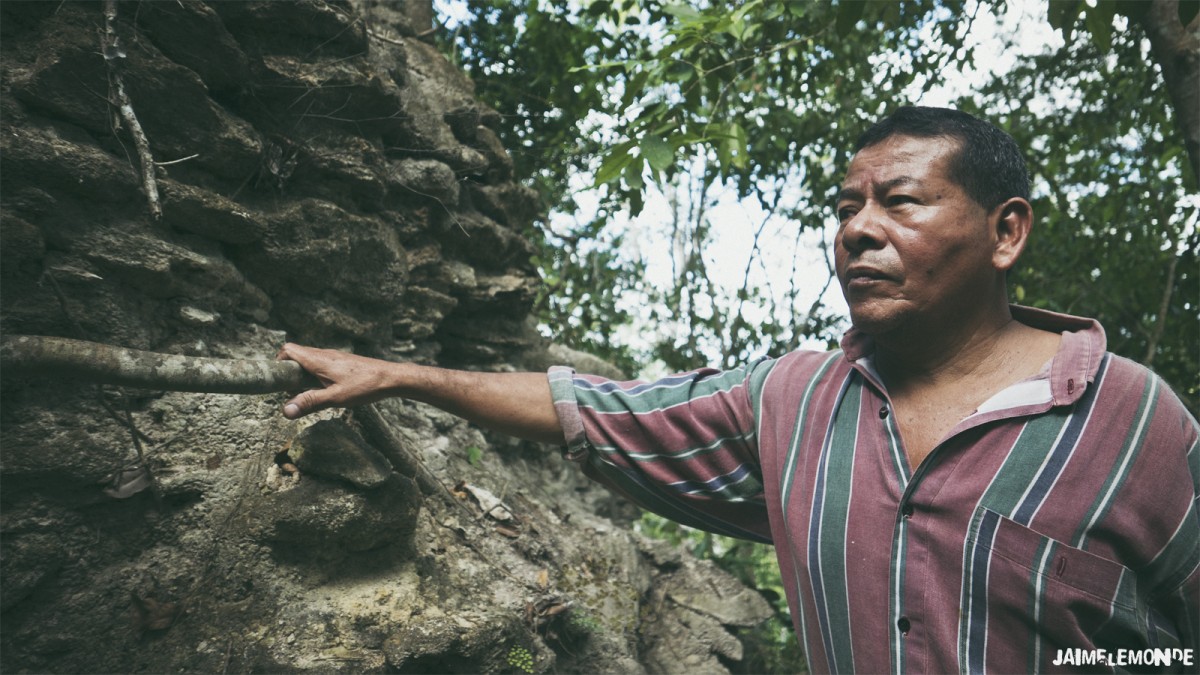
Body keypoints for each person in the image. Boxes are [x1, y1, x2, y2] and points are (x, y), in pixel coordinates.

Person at [277, 106, 1199, 673]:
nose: (857, 232)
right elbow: (591, 409)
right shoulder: (792, 400)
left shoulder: (1133, 420)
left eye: (901, 203)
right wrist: (400, 377)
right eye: (845, 208)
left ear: (1006, 234)